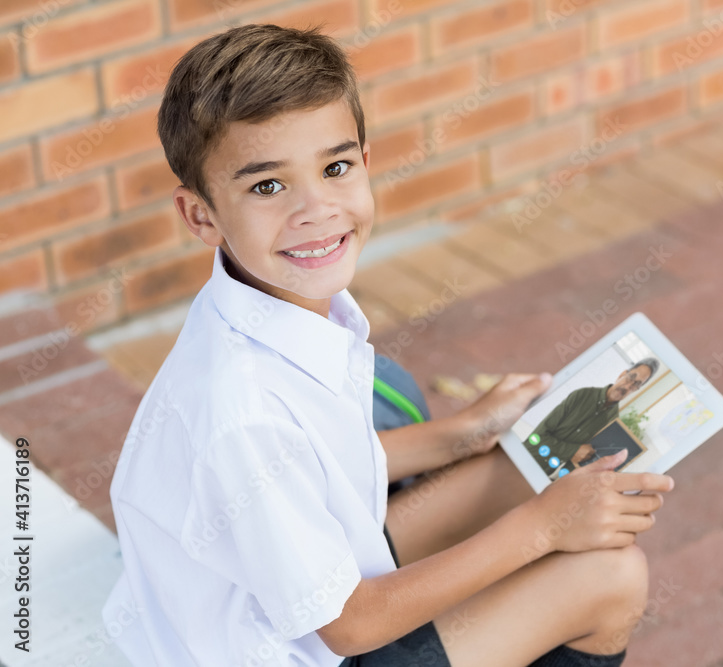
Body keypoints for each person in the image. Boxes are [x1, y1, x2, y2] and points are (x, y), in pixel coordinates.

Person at [102, 24, 674, 667]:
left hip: (297, 587)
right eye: (268, 186)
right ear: (201, 214)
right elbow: (345, 627)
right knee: (610, 577)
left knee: (524, 464)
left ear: (365, 163)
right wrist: (542, 530)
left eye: (335, 167)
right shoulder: (240, 408)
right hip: (308, 645)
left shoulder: (264, 304)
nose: (315, 208)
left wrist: (462, 432)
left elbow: (315, 463)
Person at [524, 360, 660, 478]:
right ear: (622, 374)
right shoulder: (581, 395)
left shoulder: (613, 423)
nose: (627, 387)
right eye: (630, 377)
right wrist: (573, 451)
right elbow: (538, 436)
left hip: (546, 475)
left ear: (636, 390)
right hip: (525, 456)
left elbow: (584, 461)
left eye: (636, 384)